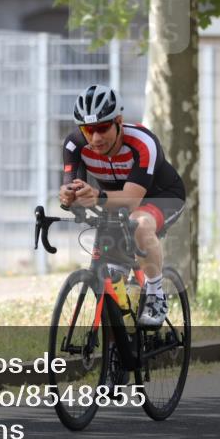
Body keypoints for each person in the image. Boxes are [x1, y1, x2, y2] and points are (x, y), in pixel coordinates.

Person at [59, 84, 186, 327]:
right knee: (113, 273)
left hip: (161, 197)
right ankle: (121, 341)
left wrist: (96, 197)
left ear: (118, 121)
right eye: (88, 129)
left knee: (139, 224)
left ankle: (156, 293)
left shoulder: (142, 142)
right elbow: (70, 187)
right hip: (114, 199)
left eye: (103, 128)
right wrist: (67, 196)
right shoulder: (74, 145)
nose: (95, 138)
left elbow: (131, 200)